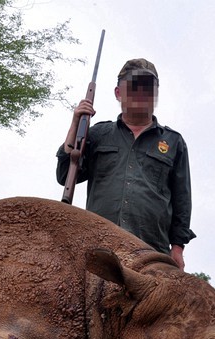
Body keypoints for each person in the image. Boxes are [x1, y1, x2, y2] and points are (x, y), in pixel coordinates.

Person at [56, 58, 195, 270]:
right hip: (100, 248)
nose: (141, 93)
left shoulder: (173, 141)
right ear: (118, 93)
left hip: (151, 251)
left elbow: (182, 201)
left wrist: (177, 248)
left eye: (148, 88)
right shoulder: (98, 134)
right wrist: (77, 123)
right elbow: (64, 174)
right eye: (134, 86)